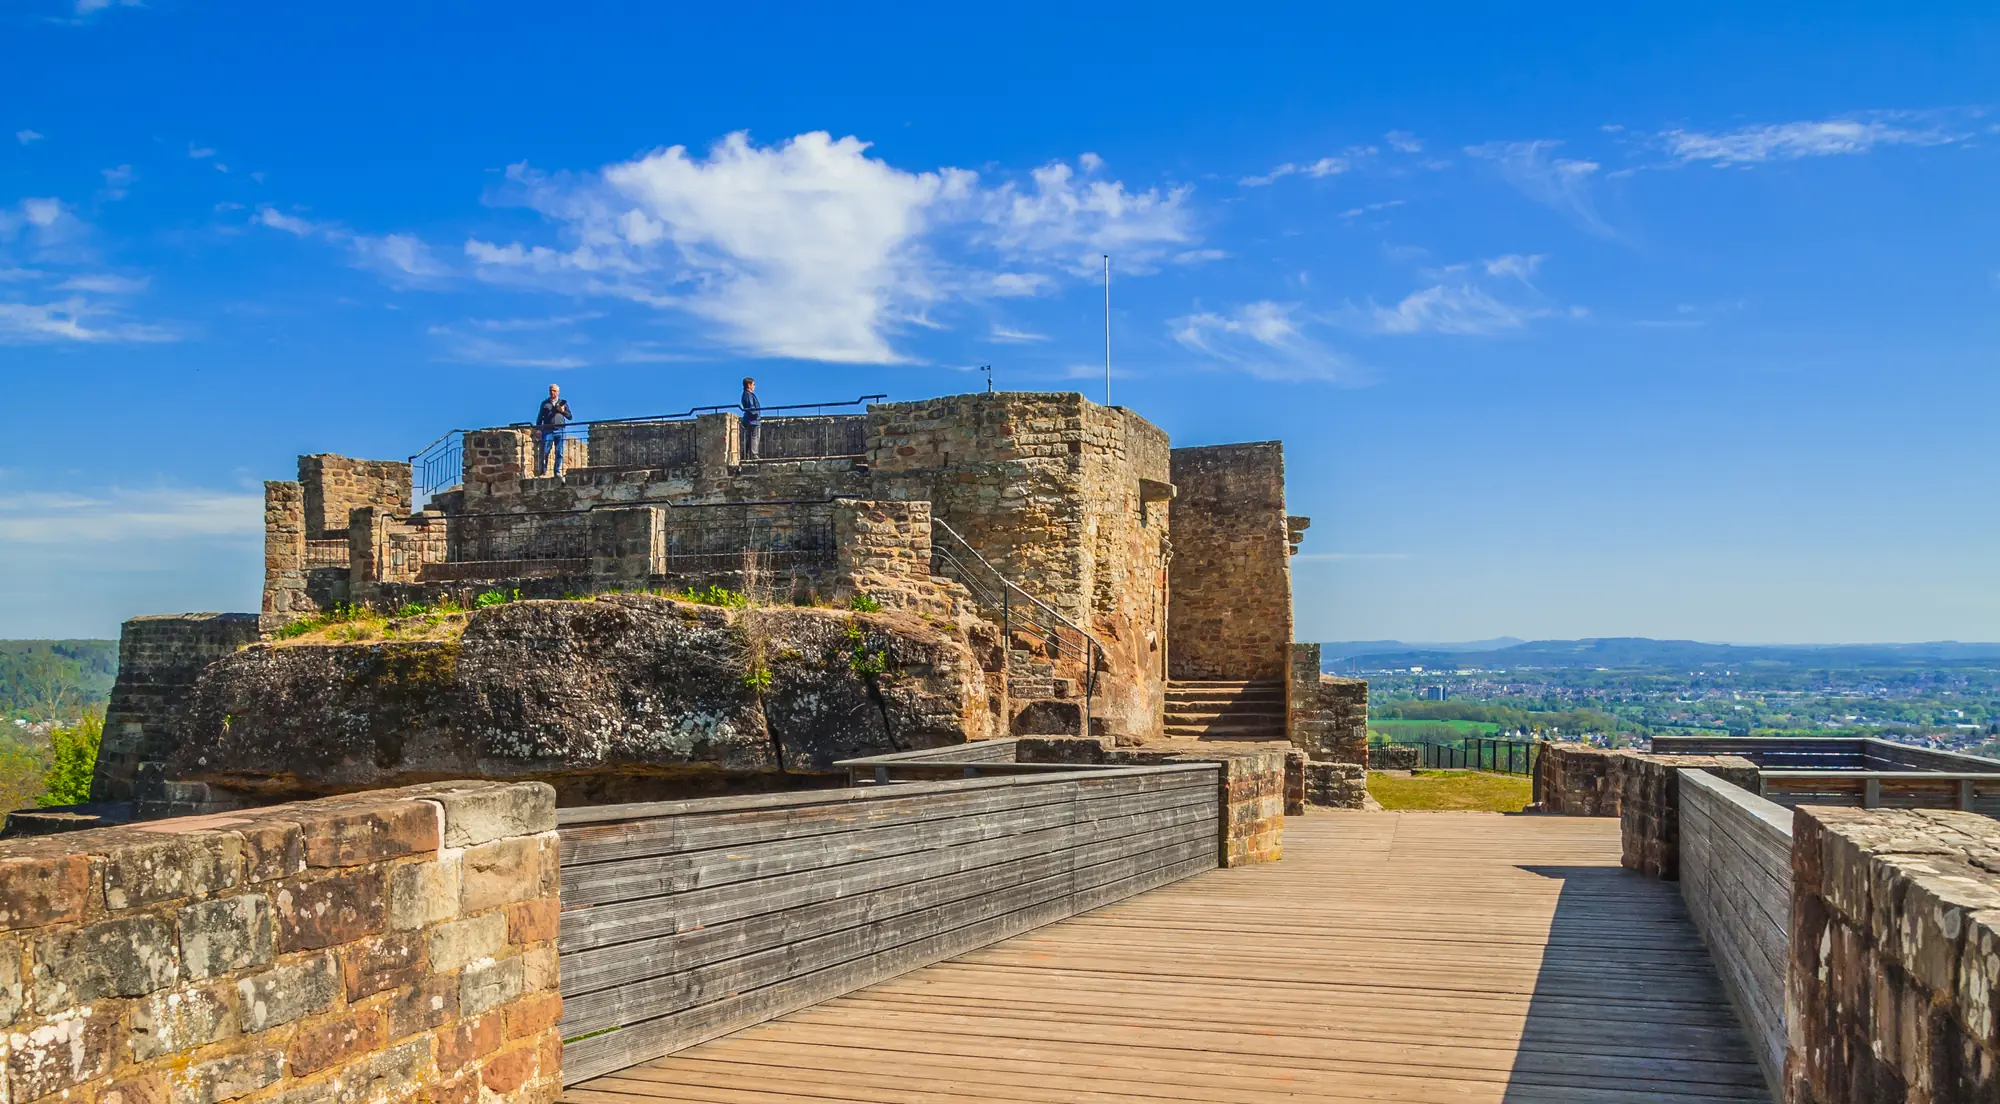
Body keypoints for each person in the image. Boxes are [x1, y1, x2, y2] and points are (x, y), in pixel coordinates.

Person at [535, 384, 571, 477]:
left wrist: (562, 410)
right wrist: (538, 429)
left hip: (560, 430)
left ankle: (557, 472)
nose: (552, 392)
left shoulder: (562, 403)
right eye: (551, 390)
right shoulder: (545, 403)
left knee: (560, 452)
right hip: (548, 430)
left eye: (554, 391)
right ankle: (543, 471)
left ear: (558, 392)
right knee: (545, 452)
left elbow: (570, 417)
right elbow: (540, 417)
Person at [739, 376, 761, 460]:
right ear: (749, 385)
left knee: (750, 438)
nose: (754, 386)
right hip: (752, 420)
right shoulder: (748, 395)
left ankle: (746, 454)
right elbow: (750, 407)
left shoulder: (747, 394)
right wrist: (756, 415)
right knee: (754, 437)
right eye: (753, 384)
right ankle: (753, 454)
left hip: (751, 420)